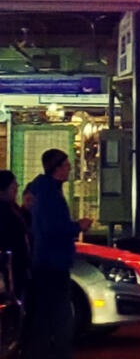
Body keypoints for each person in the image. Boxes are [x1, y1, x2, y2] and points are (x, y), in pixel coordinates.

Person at [24, 149, 92, 359]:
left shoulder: (41, 188)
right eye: (66, 164)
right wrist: (77, 226)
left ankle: (41, 351)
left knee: (46, 312)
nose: (70, 168)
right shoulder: (50, 193)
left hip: (45, 260)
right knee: (59, 313)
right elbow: (54, 227)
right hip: (53, 261)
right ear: (58, 167)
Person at [0, 170, 31, 300]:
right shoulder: (4, 209)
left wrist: (25, 208)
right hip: (10, 268)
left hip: (18, 266)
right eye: (13, 184)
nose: (17, 187)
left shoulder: (12, 207)